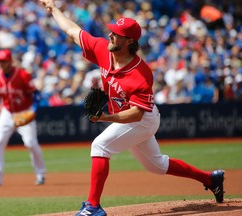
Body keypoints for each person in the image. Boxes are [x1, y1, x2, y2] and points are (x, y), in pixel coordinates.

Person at [39, 1, 225, 215]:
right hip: (131, 116)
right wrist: (53, 8)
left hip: (142, 119)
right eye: (111, 31)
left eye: (116, 34)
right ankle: (211, 179)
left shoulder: (140, 73)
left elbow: (137, 113)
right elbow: (72, 31)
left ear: (128, 41)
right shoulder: (102, 50)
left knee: (100, 146)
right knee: (156, 165)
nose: (110, 35)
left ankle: (92, 207)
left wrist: (105, 117)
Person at [0, 49, 46, 186]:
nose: (2, 64)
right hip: (7, 112)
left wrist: (34, 110)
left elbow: (36, 95)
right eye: (0, 61)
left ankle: (40, 174)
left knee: (30, 143)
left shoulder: (23, 75)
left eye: (4, 61)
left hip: (24, 111)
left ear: (10, 61)